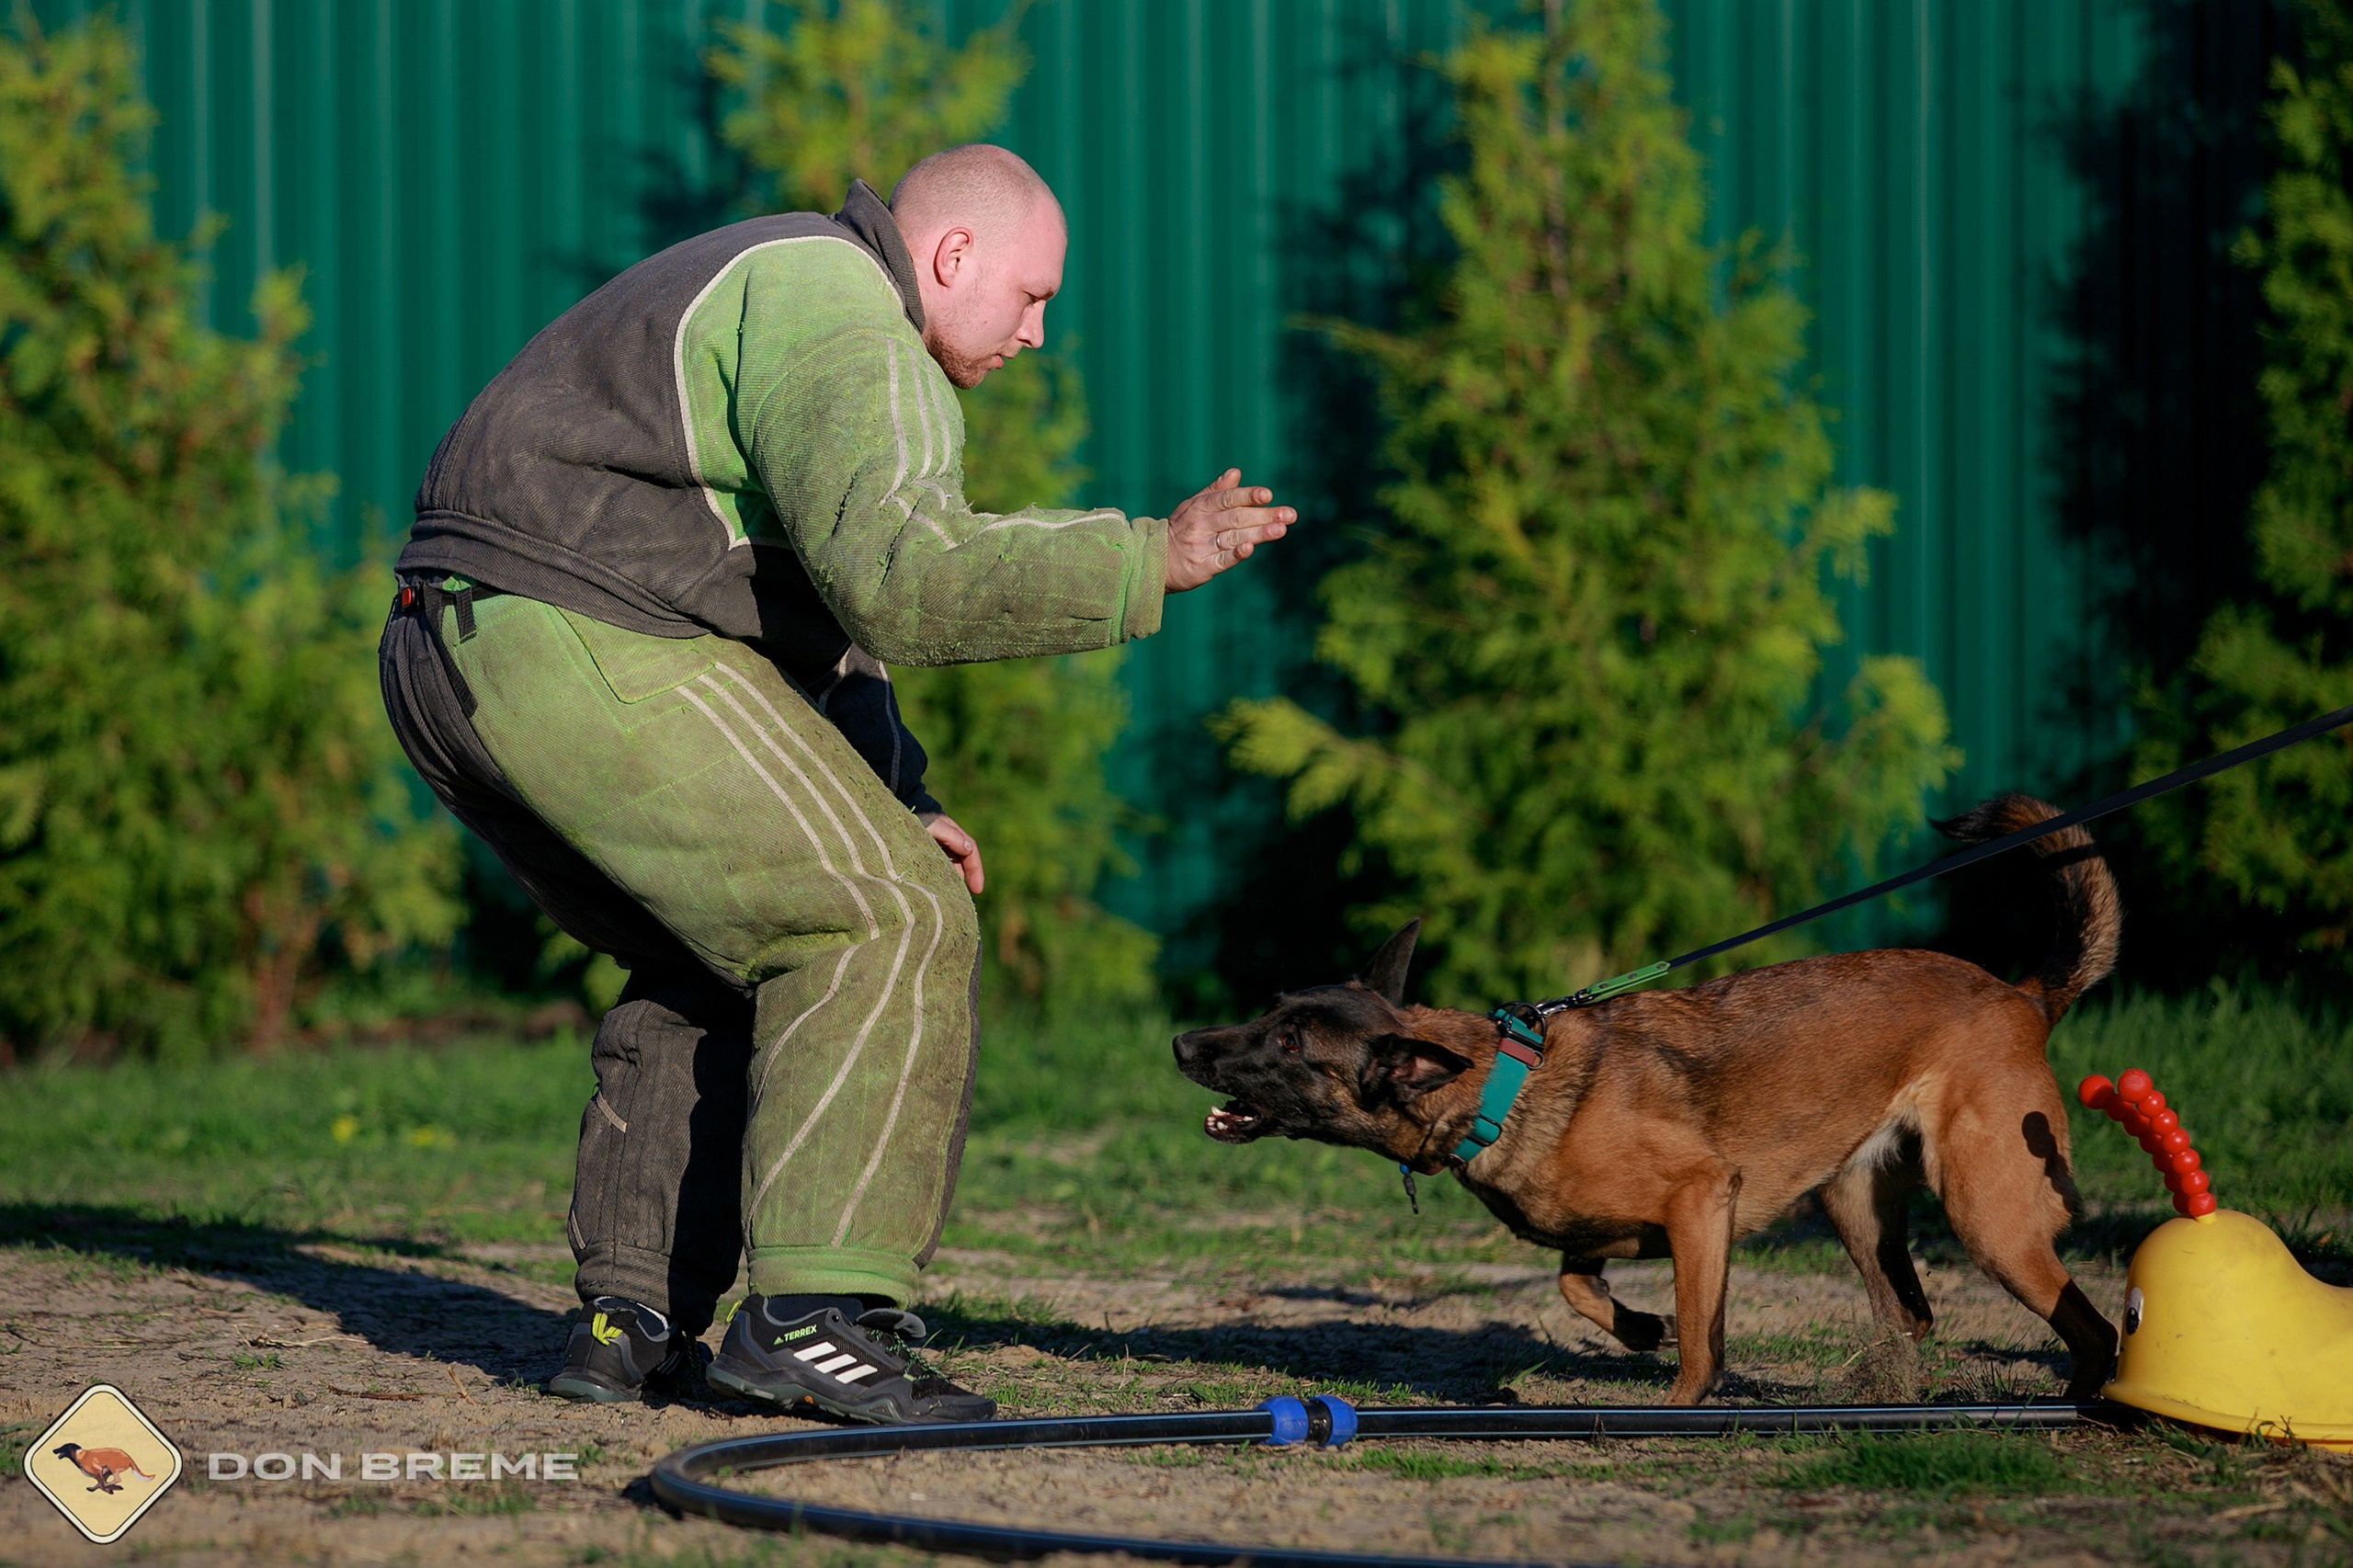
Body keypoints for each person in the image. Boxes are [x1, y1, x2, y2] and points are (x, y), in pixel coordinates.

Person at [378, 144, 1293, 1424]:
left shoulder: (775, 283)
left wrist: (899, 791)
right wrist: (1147, 558)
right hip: (573, 633)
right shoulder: (844, 308)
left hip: (452, 647)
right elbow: (906, 575)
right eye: (1031, 297)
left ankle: (628, 1319)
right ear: (950, 257)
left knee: (728, 944)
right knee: (894, 915)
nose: (1038, 334)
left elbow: (812, 622)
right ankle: (818, 1318)